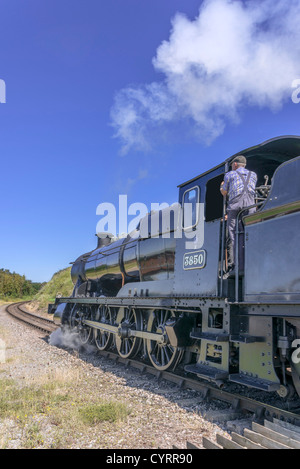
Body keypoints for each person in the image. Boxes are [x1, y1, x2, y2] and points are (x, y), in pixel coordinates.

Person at [220, 155, 257, 277]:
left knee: (234, 235)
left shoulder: (230, 175)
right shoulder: (253, 174)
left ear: (235, 164)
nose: (232, 166)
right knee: (249, 234)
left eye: (232, 165)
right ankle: (251, 263)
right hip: (251, 205)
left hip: (235, 206)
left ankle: (238, 266)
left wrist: (221, 186)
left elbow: (224, 192)